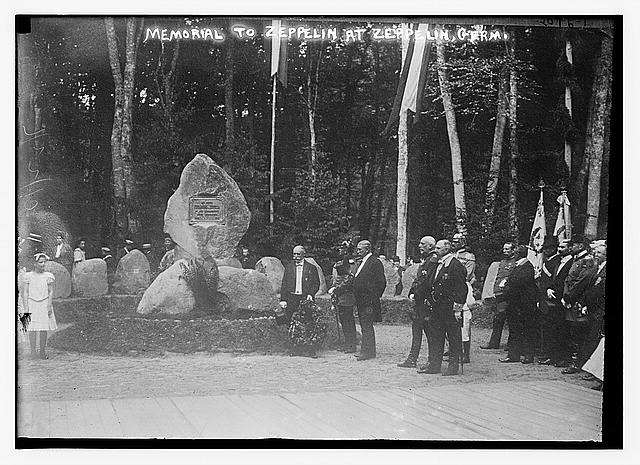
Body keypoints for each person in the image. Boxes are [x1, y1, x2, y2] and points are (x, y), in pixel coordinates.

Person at [418, 239, 467, 376]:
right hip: (437, 307)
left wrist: (458, 308)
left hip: (450, 308)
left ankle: (453, 366)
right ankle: (434, 365)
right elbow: (430, 282)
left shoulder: (455, 265)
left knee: (453, 337)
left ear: (446, 249)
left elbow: (461, 289)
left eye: (438, 248)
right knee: (436, 337)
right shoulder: (436, 264)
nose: (436, 250)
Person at [398, 236, 437, 369]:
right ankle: (414, 358)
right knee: (419, 330)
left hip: (425, 302)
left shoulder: (432, 260)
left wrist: (416, 293)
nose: (420, 246)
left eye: (423, 244)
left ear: (430, 246)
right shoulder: (427, 260)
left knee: (428, 332)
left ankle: (430, 361)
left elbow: (426, 281)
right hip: (420, 302)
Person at [561, 237, 597, 374]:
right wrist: (565, 295)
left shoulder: (587, 261)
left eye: (573, 245)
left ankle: (579, 363)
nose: (570, 247)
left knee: (579, 333)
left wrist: (570, 296)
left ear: (581, 246)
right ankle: (576, 361)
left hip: (578, 301)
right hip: (570, 300)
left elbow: (583, 281)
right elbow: (567, 280)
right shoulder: (576, 260)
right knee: (573, 332)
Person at [278, 246, 321, 356]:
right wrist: (283, 299)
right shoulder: (289, 267)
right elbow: (284, 284)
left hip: (305, 298)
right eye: (294, 254)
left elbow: (316, 283)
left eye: (298, 254)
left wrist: (311, 294)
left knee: (308, 323)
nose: (295, 257)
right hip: (292, 298)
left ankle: (310, 350)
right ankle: (295, 349)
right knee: (292, 324)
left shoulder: (311, 268)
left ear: (303, 254)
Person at [538, 239, 574, 367]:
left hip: (563, 299)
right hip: (554, 298)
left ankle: (562, 358)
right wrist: (549, 289)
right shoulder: (559, 261)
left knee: (562, 330)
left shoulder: (571, 262)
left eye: (562, 247)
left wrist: (559, 294)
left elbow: (566, 281)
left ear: (570, 248)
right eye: (559, 246)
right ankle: (553, 356)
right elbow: (554, 279)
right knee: (554, 329)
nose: (559, 249)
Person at [499, 245, 537, 364]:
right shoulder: (518, 266)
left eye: (516, 253)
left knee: (526, 330)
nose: (514, 255)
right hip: (514, 304)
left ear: (519, 254)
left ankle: (528, 355)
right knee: (514, 330)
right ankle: (513, 355)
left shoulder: (527, 267)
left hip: (523, 304)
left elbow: (518, 284)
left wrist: (507, 286)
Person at [352, 240, 386, 361]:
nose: (358, 251)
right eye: (357, 249)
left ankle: (368, 352)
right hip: (361, 300)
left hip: (369, 300)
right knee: (363, 324)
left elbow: (381, 282)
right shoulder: (362, 262)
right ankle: (366, 350)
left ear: (367, 249)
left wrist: (373, 296)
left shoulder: (374, 262)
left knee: (367, 325)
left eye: (360, 249)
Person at [577, 242, 607, 380]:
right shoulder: (596, 267)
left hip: (599, 310)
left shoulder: (604, 269)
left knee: (595, 339)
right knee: (588, 338)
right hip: (590, 308)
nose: (596, 254)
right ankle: (589, 368)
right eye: (596, 252)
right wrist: (584, 303)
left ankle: (595, 373)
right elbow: (589, 288)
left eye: (600, 253)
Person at [480, 242, 518, 349]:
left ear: (513, 250)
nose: (505, 251)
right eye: (504, 249)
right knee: (498, 319)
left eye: (507, 249)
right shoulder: (501, 262)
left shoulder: (515, 262)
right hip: (499, 294)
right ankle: (494, 342)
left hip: (509, 295)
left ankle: (511, 345)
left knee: (511, 320)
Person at [22, 253, 57, 359]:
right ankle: (33, 351)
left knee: (43, 328)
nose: (43, 264)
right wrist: (26, 307)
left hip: (44, 303)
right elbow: (25, 292)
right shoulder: (28, 276)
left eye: (44, 262)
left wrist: (49, 305)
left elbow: (51, 291)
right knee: (31, 328)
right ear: (34, 263)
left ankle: (42, 351)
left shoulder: (48, 276)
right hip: (31, 303)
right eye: (40, 262)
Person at [328, 240, 357, 353]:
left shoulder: (351, 262)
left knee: (348, 320)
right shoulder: (340, 262)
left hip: (347, 296)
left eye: (342, 248)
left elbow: (349, 279)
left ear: (347, 250)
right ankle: (347, 343)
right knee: (343, 320)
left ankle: (351, 345)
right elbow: (336, 279)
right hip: (340, 296)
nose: (339, 250)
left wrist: (337, 289)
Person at [452, 233, 476, 363]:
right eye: (453, 241)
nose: (455, 243)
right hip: (452, 288)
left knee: (465, 323)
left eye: (457, 241)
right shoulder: (452, 255)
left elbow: (468, 274)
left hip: (463, 287)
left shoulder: (468, 256)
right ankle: (453, 350)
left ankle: (465, 354)